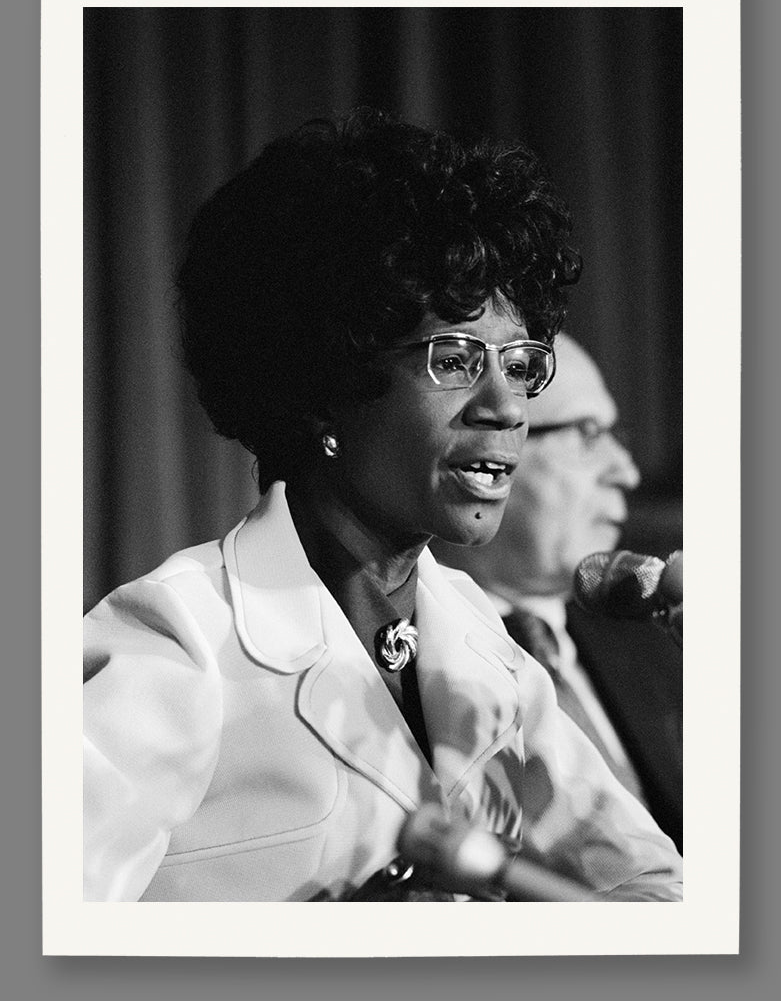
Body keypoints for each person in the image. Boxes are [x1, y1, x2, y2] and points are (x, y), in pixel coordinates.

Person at [83, 109, 682, 902]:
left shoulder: (484, 644)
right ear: (326, 385)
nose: (505, 408)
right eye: (457, 359)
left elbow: (654, 895)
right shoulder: (178, 643)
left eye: (520, 362)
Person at [434, 333, 683, 849]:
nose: (627, 472)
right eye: (588, 433)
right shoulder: (395, 650)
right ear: (489, 447)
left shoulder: (663, 637)